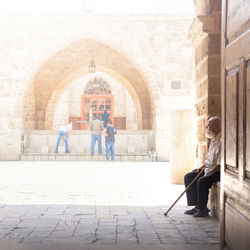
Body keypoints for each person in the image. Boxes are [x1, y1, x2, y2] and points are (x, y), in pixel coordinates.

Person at [184, 116, 221, 217]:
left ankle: (202, 209)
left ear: (216, 127)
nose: (206, 127)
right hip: (211, 169)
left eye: (208, 126)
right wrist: (202, 167)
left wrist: (208, 172)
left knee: (202, 181)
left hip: (219, 171)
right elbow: (210, 161)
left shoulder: (222, 141)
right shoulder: (214, 139)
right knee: (189, 176)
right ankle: (196, 205)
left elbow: (219, 165)